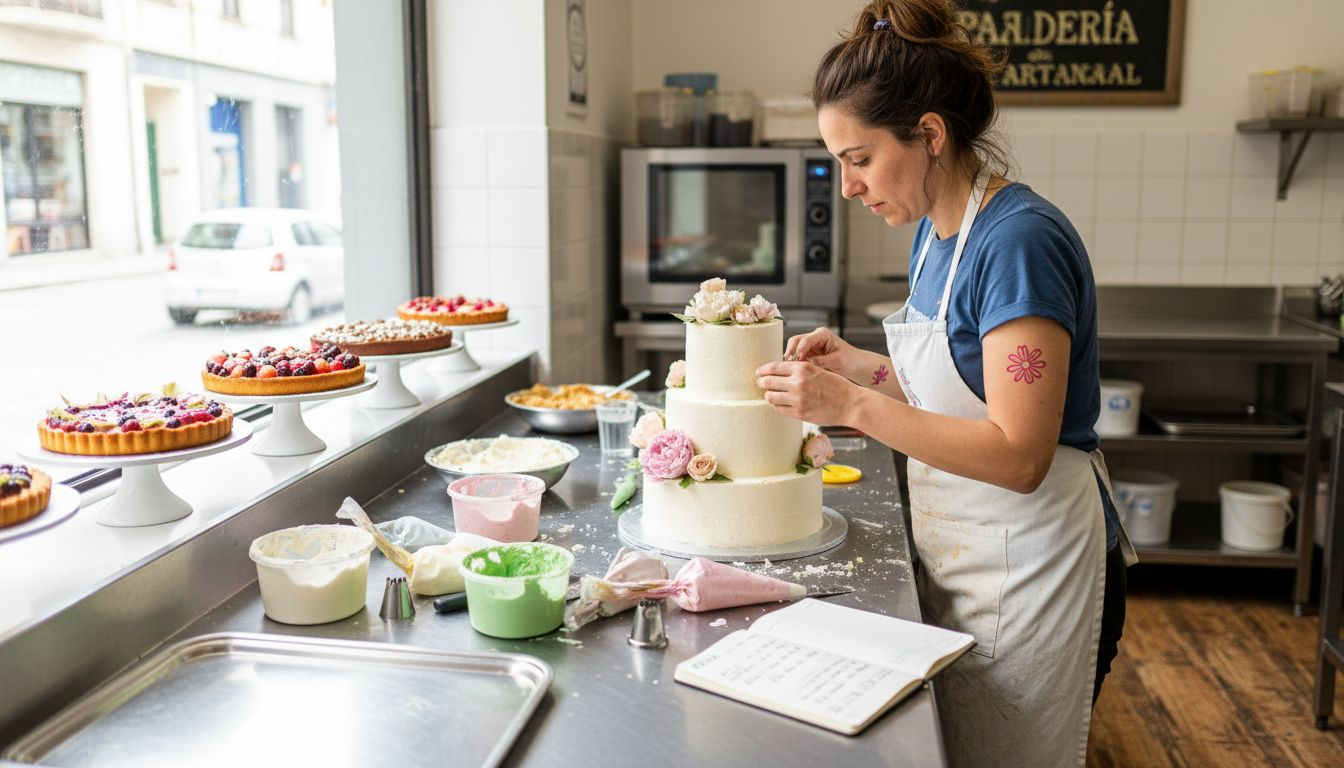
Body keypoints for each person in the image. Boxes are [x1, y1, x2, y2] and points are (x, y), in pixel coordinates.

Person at [755, 1, 1134, 765]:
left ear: (928, 135)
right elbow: (952, 388)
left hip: (1033, 569)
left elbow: (1020, 453)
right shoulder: (937, 231)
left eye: (859, 159)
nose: (850, 186)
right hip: (972, 556)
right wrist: (855, 368)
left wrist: (853, 404)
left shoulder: (1018, 242)